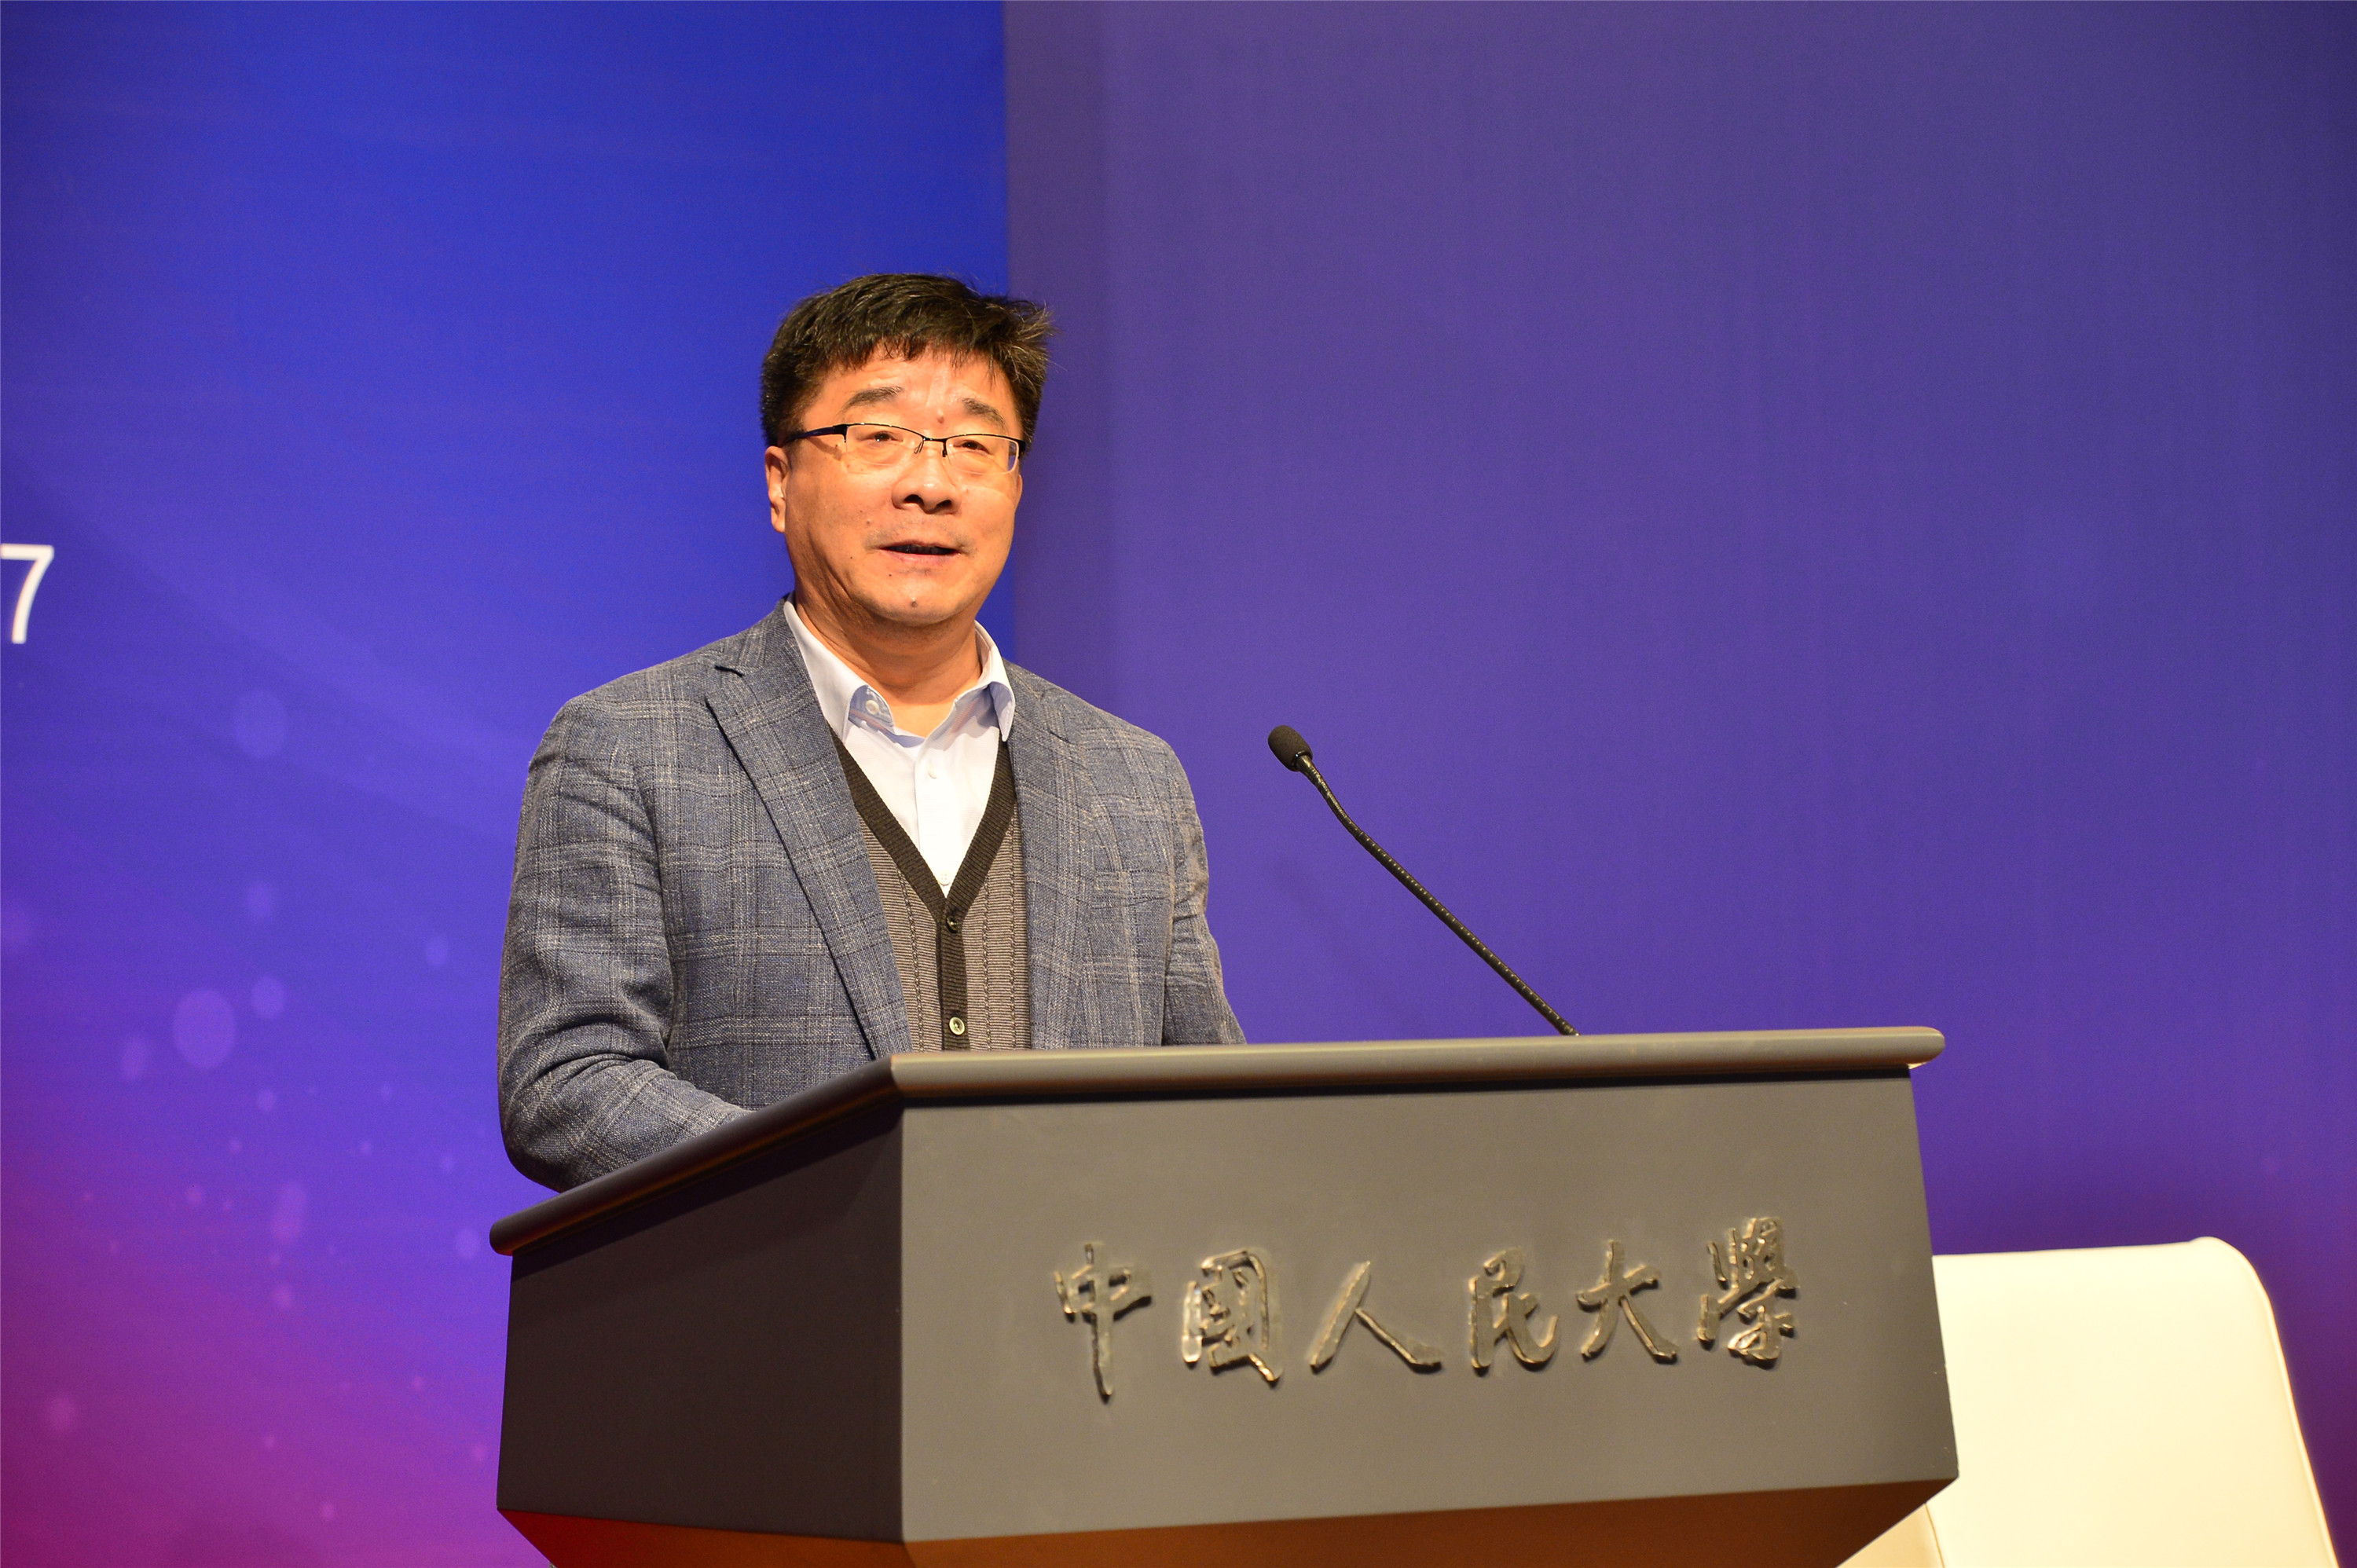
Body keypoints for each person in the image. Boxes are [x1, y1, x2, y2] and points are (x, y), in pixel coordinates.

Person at [497, 274, 1244, 1192]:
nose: (930, 484)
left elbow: (1213, 1106)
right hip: (786, 1279)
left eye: (975, 445)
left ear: (1017, 486)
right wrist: (860, 1188)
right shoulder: (628, 748)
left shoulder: (1131, 778)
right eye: (880, 436)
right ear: (780, 483)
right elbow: (568, 1083)